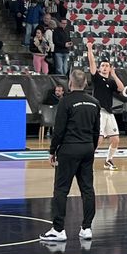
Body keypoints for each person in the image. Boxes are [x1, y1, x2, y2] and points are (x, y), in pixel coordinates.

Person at [42, 68, 101, 242]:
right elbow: (96, 131)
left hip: (68, 150)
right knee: (87, 189)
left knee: (61, 189)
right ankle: (87, 228)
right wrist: (91, 147)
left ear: (70, 82)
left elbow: (58, 131)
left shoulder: (65, 102)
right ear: (85, 83)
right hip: (87, 148)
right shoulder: (94, 102)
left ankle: (58, 229)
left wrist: (52, 150)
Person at [87, 42, 126, 171]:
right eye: (102, 65)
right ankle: (87, 160)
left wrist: (114, 74)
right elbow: (92, 63)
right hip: (99, 112)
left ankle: (108, 160)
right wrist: (89, 49)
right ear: (99, 68)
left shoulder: (111, 81)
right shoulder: (97, 78)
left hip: (109, 112)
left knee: (115, 139)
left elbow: (121, 88)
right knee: (98, 139)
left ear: (110, 68)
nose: (104, 67)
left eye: (107, 66)